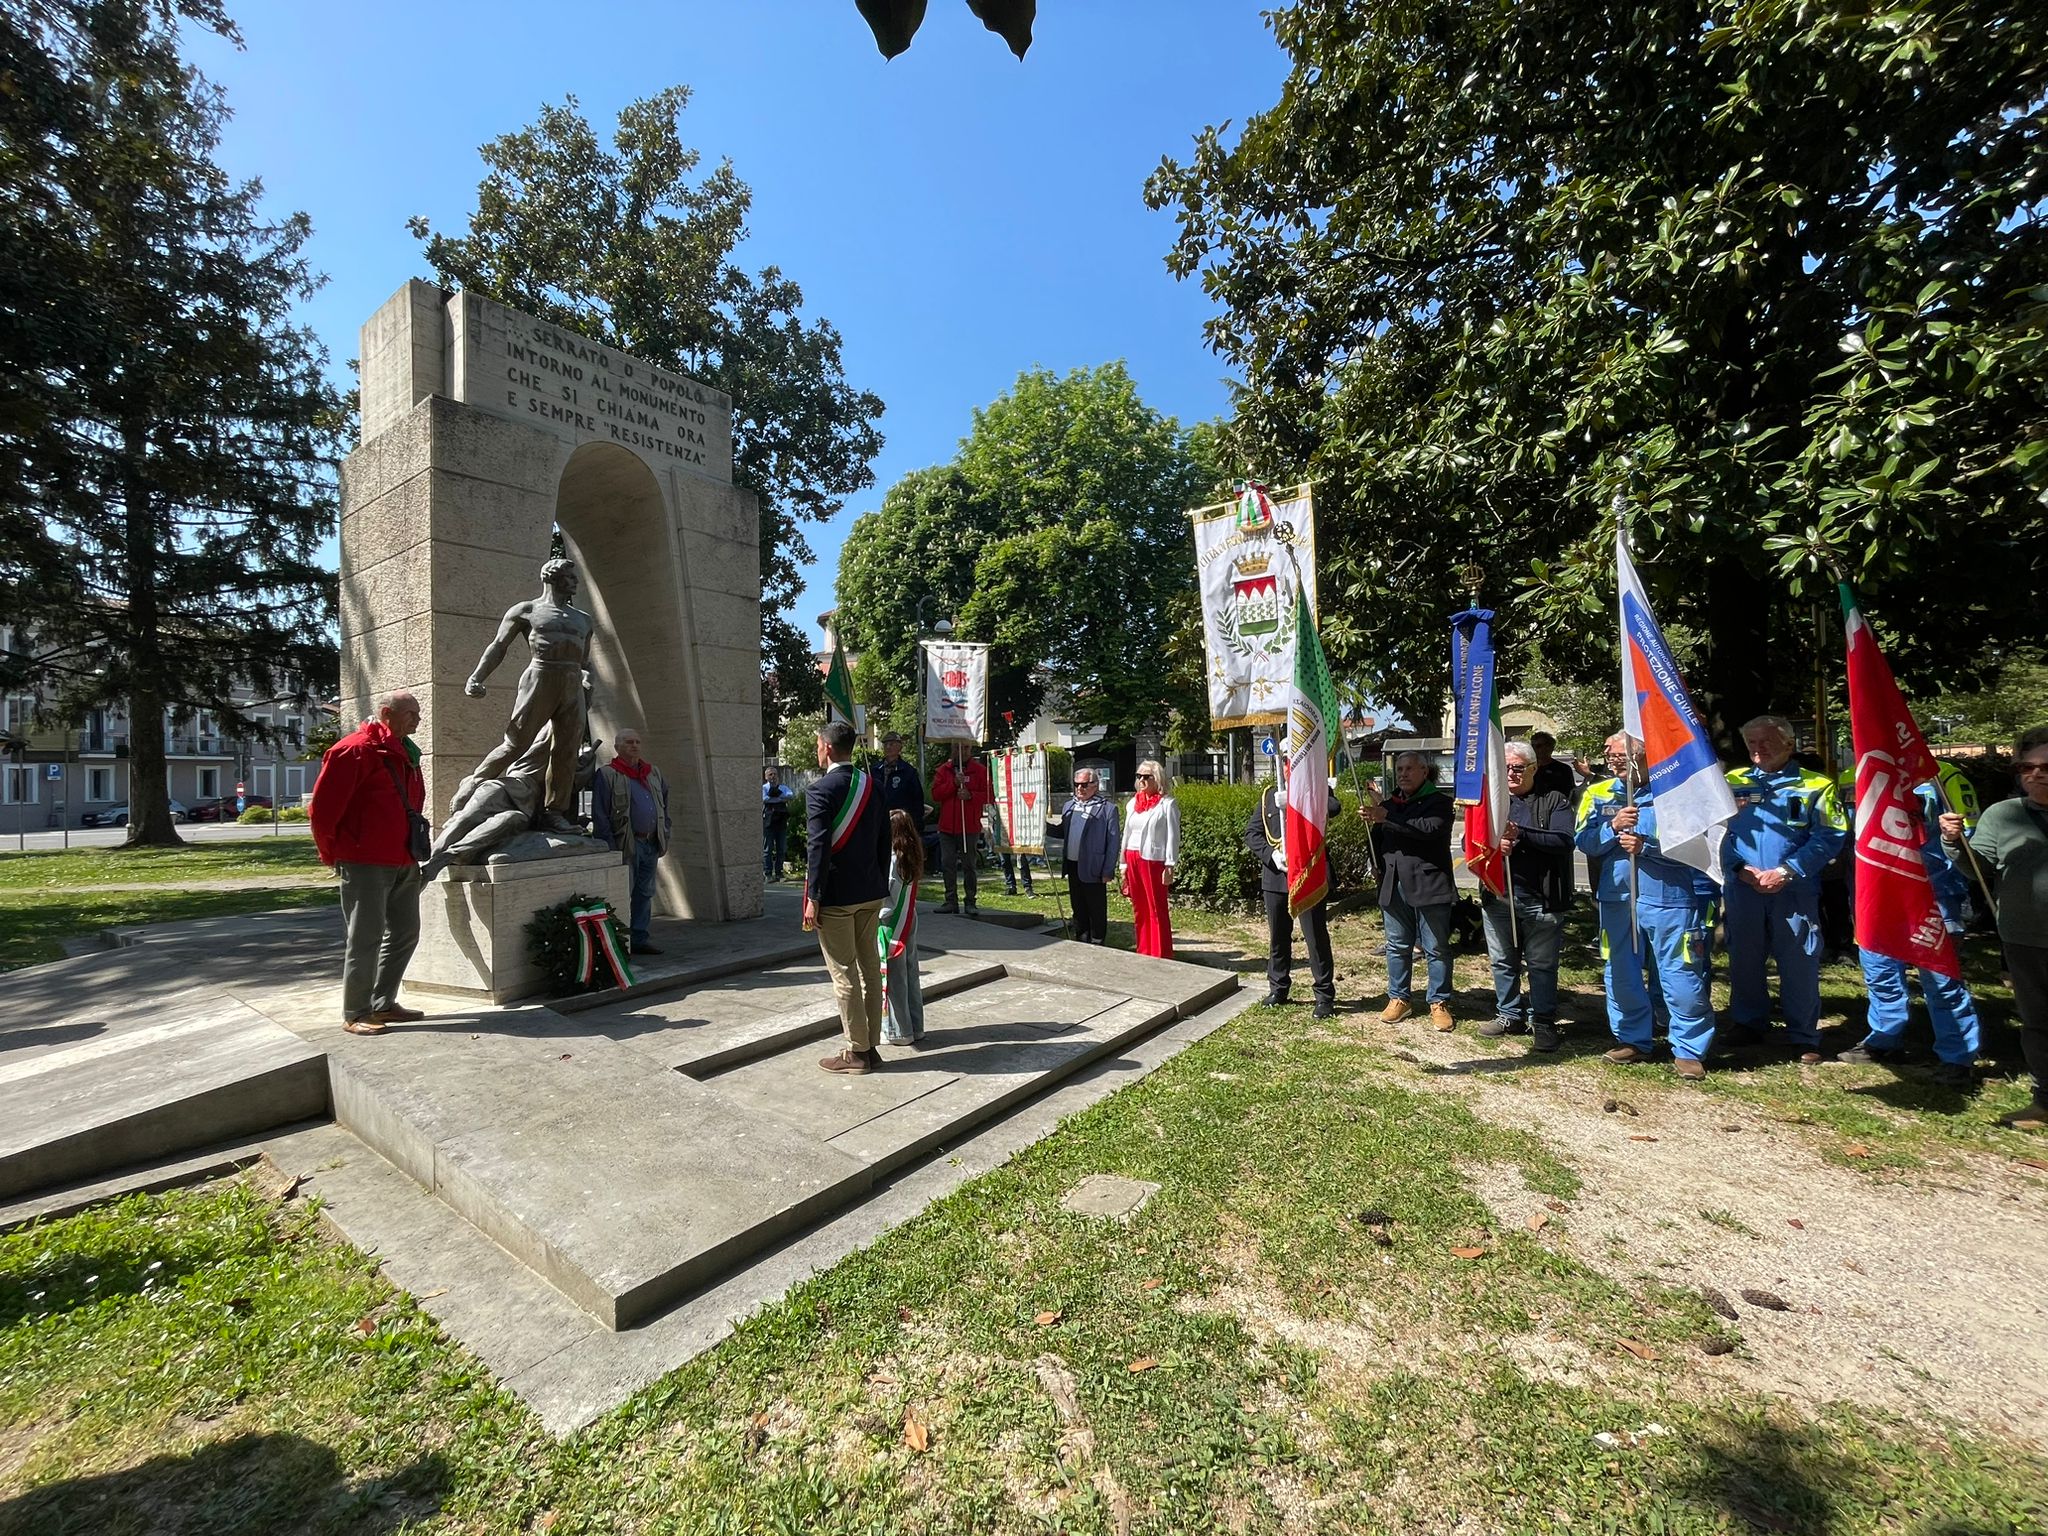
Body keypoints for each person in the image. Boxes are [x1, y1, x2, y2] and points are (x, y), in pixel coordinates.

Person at [1576, 732, 1721, 1079]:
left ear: (1645, 755)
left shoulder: (1676, 791)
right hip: (1617, 898)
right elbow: (1584, 840)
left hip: (1669, 898)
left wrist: (1647, 847)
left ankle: (1689, 1049)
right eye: (1610, 756)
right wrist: (1611, 827)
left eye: (1622, 755)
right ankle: (1632, 1038)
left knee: (1680, 973)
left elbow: (1699, 847)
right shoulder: (1597, 793)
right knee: (1619, 971)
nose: (1614, 762)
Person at [1721, 715, 1849, 1062]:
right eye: (1752, 743)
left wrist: (1787, 871)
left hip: (1794, 889)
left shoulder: (1816, 785)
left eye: (1765, 742)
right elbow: (1717, 833)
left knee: (1799, 961)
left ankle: (1803, 1035)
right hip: (1743, 887)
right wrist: (1739, 868)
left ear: (1789, 745)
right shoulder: (1731, 782)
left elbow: (1830, 836)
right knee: (1744, 958)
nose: (1758, 749)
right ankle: (1748, 1023)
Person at [1839, 777, 1980, 1086]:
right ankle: (1884, 1040)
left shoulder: (1946, 776)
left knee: (1942, 979)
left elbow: (1973, 836)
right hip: (1875, 895)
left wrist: (1953, 834)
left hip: (1933, 895)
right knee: (1880, 973)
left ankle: (1957, 1057)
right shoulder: (1859, 769)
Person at [1944, 726, 2048, 1130]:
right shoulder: (2003, 815)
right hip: (2023, 937)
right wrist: (1955, 843)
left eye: (2045, 767)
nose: (2036, 774)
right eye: (2027, 767)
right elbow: (1978, 872)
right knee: (2038, 1023)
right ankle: (2044, 1101)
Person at [310, 690, 427, 1037]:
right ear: (388, 713)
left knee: (406, 932)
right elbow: (322, 812)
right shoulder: (353, 750)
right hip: (365, 861)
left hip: (404, 858)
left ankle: (383, 1002)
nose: (417, 720)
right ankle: (355, 1011)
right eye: (411, 713)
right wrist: (331, 854)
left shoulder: (406, 753)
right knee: (365, 937)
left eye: (418, 714)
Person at [462, 557, 594, 828]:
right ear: (553, 578)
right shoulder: (526, 610)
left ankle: (554, 812)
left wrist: (588, 680)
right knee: (517, 742)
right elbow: (498, 646)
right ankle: (477, 780)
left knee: (566, 750)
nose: (576, 583)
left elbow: (585, 662)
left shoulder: (583, 620)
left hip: (572, 682)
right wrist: (476, 677)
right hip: (540, 676)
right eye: (571, 578)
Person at [805, 719, 892, 1074]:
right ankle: (871, 1047)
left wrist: (814, 895)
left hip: (838, 897)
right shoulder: (873, 785)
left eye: (818, 744)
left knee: (844, 974)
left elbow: (818, 847)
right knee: (871, 969)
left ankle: (855, 1052)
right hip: (870, 892)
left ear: (826, 747)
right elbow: (883, 840)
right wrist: (878, 883)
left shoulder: (820, 790)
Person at [1477, 741, 1576, 1052]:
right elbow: (1472, 841)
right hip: (1499, 897)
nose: (1510, 773)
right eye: (1505, 767)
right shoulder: (1491, 802)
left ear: (1533, 769)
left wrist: (1521, 835)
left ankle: (1543, 1021)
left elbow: (1564, 840)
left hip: (1541, 898)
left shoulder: (1554, 800)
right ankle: (1509, 1014)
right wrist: (1494, 847)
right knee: (1503, 961)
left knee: (1541, 965)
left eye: (1518, 768)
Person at [1359, 752, 1456, 1030]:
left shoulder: (1439, 802)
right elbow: (1377, 837)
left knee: (1436, 947)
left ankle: (1438, 1002)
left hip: (1429, 885)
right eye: (1399, 769)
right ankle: (1399, 998)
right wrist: (1375, 862)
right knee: (1397, 946)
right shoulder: (1390, 803)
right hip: (1393, 884)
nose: (1403, 773)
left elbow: (1427, 830)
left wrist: (1386, 816)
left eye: (1409, 768)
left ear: (1424, 772)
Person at [1245, 762, 1341, 1017]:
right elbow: (1252, 833)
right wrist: (1272, 855)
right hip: (1277, 876)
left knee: (1315, 937)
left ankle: (1324, 995)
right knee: (1278, 936)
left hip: (1308, 873)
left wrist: (1299, 799)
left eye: (1293, 762)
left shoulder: (1316, 791)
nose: (1289, 767)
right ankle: (1278, 988)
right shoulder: (1268, 794)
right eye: (1285, 763)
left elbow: (1335, 808)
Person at [591, 729, 671, 955]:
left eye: (637, 742)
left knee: (645, 893)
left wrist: (666, 831)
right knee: (622, 892)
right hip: (625, 844)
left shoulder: (652, 772)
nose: (634, 746)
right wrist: (610, 847)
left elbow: (665, 802)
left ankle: (639, 939)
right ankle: (618, 941)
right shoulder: (607, 775)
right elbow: (600, 814)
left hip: (651, 843)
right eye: (628, 742)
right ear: (617, 747)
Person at [1120, 758, 1180, 959]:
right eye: (1139, 776)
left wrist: (1170, 863)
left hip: (1153, 860)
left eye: (1147, 776)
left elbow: (1173, 836)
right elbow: (1126, 833)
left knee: (1156, 907)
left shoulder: (1167, 804)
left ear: (1158, 779)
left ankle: (1161, 952)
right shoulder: (1132, 803)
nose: (1142, 780)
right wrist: (1123, 863)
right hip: (1132, 855)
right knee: (1139, 907)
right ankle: (1144, 949)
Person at [879, 809, 927, 1047]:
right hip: (910, 915)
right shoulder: (912, 854)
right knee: (910, 973)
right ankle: (916, 1026)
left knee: (895, 977)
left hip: (891, 920)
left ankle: (899, 1031)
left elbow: (885, 892)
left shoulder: (892, 858)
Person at [1059, 767, 1120, 944]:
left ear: (1095, 785)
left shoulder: (1107, 809)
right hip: (1073, 865)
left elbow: (1113, 842)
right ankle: (1081, 936)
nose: (1080, 789)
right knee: (1078, 906)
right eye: (1077, 784)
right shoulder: (1069, 806)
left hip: (1094, 866)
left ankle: (1098, 938)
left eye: (1084, 785)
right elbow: (1062, 831)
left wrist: (1108, 870)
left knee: (1096, 907)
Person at [931, 742, 991, 914]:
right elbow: (936, 794)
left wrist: (971, 795)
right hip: (947, 828)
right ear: (953, 749)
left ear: (971, 750)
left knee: (969, 865)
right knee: (947, 863)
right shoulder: (943, 770)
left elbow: (990, 794)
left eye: (966, 748)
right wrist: (953, 784)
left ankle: (970, 901)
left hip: (969, 827)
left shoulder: (979, 770)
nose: (962, 751)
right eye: (959, 748)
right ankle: (950, 901)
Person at [875, 732, 926, 831]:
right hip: (879, 822)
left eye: (892, 744)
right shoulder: (875, 770)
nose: (888, 747)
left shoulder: (908, 772)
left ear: (899, 747)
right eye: (885, 744)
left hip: (901, 823)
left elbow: (917, 800)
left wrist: (915, 824)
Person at [987, 794, 1035, 895]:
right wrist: (995, 816)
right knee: (1004, 859)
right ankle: (1010, 885)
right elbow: (989, 803)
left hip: (1015, 822)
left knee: (1021, 856)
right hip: (1000, 824)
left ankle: (1027, 886)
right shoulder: (994, 785)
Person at [762, 766, 794, 881]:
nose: (773, 777)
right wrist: (781, 799)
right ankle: (768, 873)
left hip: (781, 821)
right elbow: (764, 799)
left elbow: (790, 795)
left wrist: (775, 798)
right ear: (766, 777)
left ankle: (779, 873)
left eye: (775, 774)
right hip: (768, 822)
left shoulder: (783, 787)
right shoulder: (764, 788)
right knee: (767, 849)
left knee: (781, 848)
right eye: (770, 774)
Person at [1529, 731, 1576, 800]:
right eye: (1533, 746)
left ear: (1549, 747)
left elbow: (1570, 792)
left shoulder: (1563, 769)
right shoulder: (1527, 768)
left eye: (1538, 746)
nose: (1535, 749)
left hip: (1556, 806)